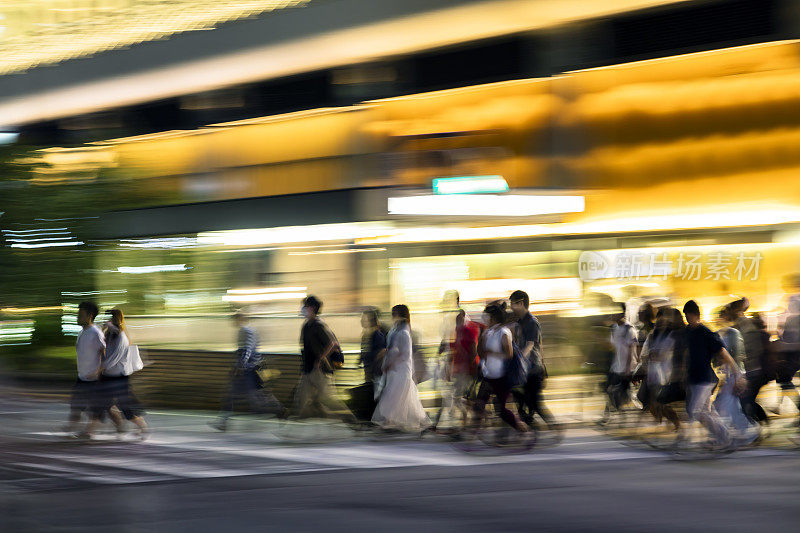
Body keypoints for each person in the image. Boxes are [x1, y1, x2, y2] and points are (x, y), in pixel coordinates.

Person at [681, 300, 748, 448]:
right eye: (686, 316)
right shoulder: (687, 332)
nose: (687, 319)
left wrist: (737, 373)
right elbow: (687, 353)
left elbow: (723, 353)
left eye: (689, 316)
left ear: (696, 315)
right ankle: (724, 437)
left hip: (705, 379)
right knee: (706, 412)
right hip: (694, 377)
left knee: (695, 410)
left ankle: (684, 443)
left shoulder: (706, 333)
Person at [211, 311, 285, 431]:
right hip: (246, 370)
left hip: (249, 371)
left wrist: (239, 367)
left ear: (240, 319)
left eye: (235, 319)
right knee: (231, 394)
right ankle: (223, 422)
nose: (233, 322)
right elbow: (243, 352)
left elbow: (247, 351)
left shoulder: (247, 331)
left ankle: (280, 410)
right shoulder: (244, 331)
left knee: (256, 401)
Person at [293, 296, 357, 424]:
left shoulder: (319, 325)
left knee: (327, 399)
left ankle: (351, 420)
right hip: (308, 369)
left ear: (312, 308)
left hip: (320, 370)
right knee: (301, 399)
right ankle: (293, 430)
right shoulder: (307, 325)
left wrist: (320, 359)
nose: (302, 309)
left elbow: (333, 344)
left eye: (305, 306)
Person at [372, 305, 431, 431]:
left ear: (398, 315)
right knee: (400, 396)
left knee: (395, 395)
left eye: (394, 314)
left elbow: (403, 354)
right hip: (395, 369)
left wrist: (390, 363)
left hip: (400, 369)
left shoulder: (403, 332)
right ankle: (399, 421)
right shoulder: (397, 330)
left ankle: (391, 421)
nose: (392, 317)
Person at [509, 290, 560, 433]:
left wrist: (518, 360)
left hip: (533, 369)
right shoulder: (519, 322)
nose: (511, 307)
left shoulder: (532, 322)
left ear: (521, 303)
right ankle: (530, 425)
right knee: (520, 399)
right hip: (525, 370)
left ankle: (553, 426)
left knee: (536, 403)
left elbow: (530, 345)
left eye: (513, 304)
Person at [472, 303, 526, 435]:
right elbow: (480, 352)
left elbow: (509, 353)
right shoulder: (489, 332)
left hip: (501, 376)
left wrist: (491, 353)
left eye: (487, 317)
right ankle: (472, 435)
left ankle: (525, 431)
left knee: (503, 411)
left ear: (494, 317)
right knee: (478, 405)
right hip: (488, 375)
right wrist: (482, 337)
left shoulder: (504, 332)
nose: (485, 319)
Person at [99, 309, 148, 439]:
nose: (106, 321)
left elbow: (113, 358)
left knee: (126, 406)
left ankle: (143, 428)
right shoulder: (109, 335)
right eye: (106, 319)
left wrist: (101, 368)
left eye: (109, 319)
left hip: (119, 377)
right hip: (108, 376)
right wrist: (104, 330)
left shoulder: (121, 337)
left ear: (116, 320)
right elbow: (104, 352)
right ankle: (120, 426)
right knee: (104, 403)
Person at [63, 301, 107, 439]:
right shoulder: (82, 332)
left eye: (80, 315)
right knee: (76, 404)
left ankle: (89, 431)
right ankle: (71, 428)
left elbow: (105, 354)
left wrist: (99, 371)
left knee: (96, 408)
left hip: (94, 379)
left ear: (90, 316)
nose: (77, 317)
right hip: (82, 377)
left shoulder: (96, 333)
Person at [431, 309, 479, 432]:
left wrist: (468, 367)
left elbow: (473, 351)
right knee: (453, 397)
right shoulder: (456, 331)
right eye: (457, 319)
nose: (458, 321)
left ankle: (473, 414)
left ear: (465, 319)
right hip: (457, 370)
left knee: (455, 398)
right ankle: (468, 416)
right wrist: (449, 369)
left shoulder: (468, 331)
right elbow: (452, 351)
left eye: (460, 319)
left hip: (465, 370)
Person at [639, 307, 681, 432]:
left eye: (663, 321)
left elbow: (667, 353)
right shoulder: (653, 336)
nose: (660, 323)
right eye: (659, 320)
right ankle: (662, 417)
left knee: (659, 401)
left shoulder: (672, 336)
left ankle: (674, 420)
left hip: (665, 375)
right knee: (645, 399)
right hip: (652, 373)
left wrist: (655, 355)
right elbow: (644, 353)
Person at [600, 303, 639, 424]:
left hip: (626, 368)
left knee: (616, 392)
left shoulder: (629, 329)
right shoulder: (615, 328)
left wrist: (628, 369)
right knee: (609, 390)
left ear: (622, 313)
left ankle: (621, 415)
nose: (613, 315)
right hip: (615, 367)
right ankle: (609, 416)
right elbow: (613, 347)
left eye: (616, 312)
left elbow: (631, 350)